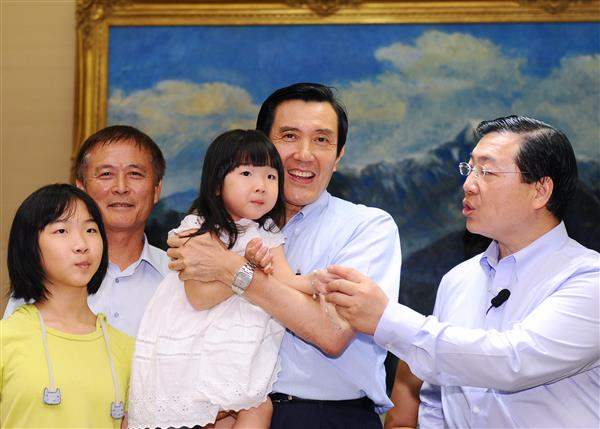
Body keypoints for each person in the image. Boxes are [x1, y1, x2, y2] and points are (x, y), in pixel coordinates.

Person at [320, 115, 600, 428]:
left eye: (487, 172)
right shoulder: (458, 279)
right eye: (469, 169)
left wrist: (385, 318)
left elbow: (513, 361)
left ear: (540, 191)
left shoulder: (588, 279)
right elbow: (436, 399)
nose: (468, 185)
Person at [167, 83, 403, 429]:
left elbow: (331, 332)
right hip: (224, 412)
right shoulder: (217, 227)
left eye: (321, 140)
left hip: (327, 417)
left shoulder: (366, 227)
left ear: (338, 155)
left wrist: (229, 268)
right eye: (289, 136)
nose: (304, 154)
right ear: (261, 146)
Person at [129, 129, 333, 429]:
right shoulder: (199, 228)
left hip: (238, 354)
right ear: (216, 185)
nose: (261, 186)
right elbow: (199, 298)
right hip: (194, 351)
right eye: (247, 173)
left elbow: (286, 281)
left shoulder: (268, 234)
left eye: (271, 176)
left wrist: (315, 283)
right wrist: (247, 268)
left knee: (259, 407)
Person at [4, 125, 170, 337]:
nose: (121, 187)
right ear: (81, 188)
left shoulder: (180, 279)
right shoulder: (47, 277)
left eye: (135, 174)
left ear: (156, 190)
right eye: (106, 174)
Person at [1, 184, 133, 428]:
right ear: (29, 245)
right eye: (61, 230)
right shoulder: (5, 338)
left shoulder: (126, 349)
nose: (81, 244)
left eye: (91, 230)